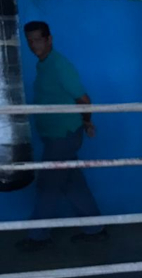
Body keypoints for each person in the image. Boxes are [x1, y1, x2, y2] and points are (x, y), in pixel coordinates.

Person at [19, 21, 104, 251]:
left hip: (63, 136)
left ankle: (38, 236)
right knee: (72, 184)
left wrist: (87, 122)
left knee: (47, 185)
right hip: (55, 136)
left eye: (38, 39)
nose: (33, 45)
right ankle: (96, 228)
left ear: (49, 39)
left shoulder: (59, 65)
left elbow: (84, 100)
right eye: (29, 40)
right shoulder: (44, 65)